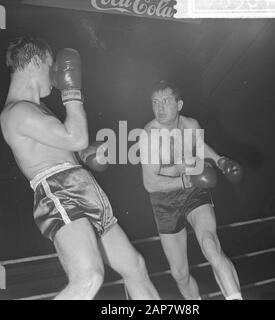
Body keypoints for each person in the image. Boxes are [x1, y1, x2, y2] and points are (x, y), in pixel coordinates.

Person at [0, 36, 160, 300]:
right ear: (36, 61)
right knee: (88, 278)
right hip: (61, 193)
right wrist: (72, 94)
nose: (55, 75)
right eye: (52, 66)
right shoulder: (17, 112)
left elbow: (70, 147)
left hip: (84, 189)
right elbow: (75, 137)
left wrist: (88, 153)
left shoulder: (37, 109)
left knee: (135, 267)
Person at [139, 80, 243, 300]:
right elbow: (150, 184)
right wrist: (189, 180)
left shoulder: (191, 125)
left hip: (194, 193)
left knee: (211, 245)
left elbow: (199, 147)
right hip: (164, 201)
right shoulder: (149, 135)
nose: (159, 107)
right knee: (179, 273)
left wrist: (220, 160)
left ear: (179, 104)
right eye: (155, 102)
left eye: (165, 101)